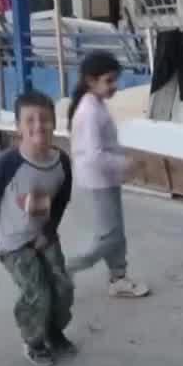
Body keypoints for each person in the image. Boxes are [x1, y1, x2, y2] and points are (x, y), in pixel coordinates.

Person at [0, 91, 76, 366]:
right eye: (29, 120)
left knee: (62, 287)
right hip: (13, 243)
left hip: (43, 235)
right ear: (18, 127)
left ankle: (54, 331)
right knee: (37, 292)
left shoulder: (62, 162)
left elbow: (62, 201)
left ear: (54, 123)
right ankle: (34, 341)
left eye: (44, 119)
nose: (37, 126)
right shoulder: (9, 163)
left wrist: (48, 232)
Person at [65, 51, 150, 298]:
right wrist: (125, 164)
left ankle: (118, 278)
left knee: (116, 233)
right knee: (107, 238)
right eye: (109, 80)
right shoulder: (89, 111)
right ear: (91, 81)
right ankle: (65, 269)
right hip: (97, 181)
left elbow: (105, 146)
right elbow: (94, 156)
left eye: (115, 80)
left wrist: (121, 162)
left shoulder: (96, 104)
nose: (114, 86)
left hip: (105, 179)